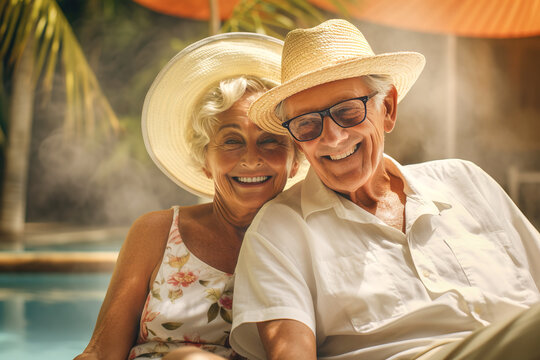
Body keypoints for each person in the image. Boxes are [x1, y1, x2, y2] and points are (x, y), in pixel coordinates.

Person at [229, 19, 540, 360]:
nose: (332, 138)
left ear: (388, 108)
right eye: (307, 124)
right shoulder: (280, 230)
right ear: (298, 142)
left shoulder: (464, 181)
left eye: (347, 111)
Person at [74, 32, 307, 360]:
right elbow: (100, 353)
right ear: (205, 162)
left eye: (270, 140)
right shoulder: (156, 232)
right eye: (231, 140)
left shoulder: (306, 240)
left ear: (295, 159)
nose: (252, 158)